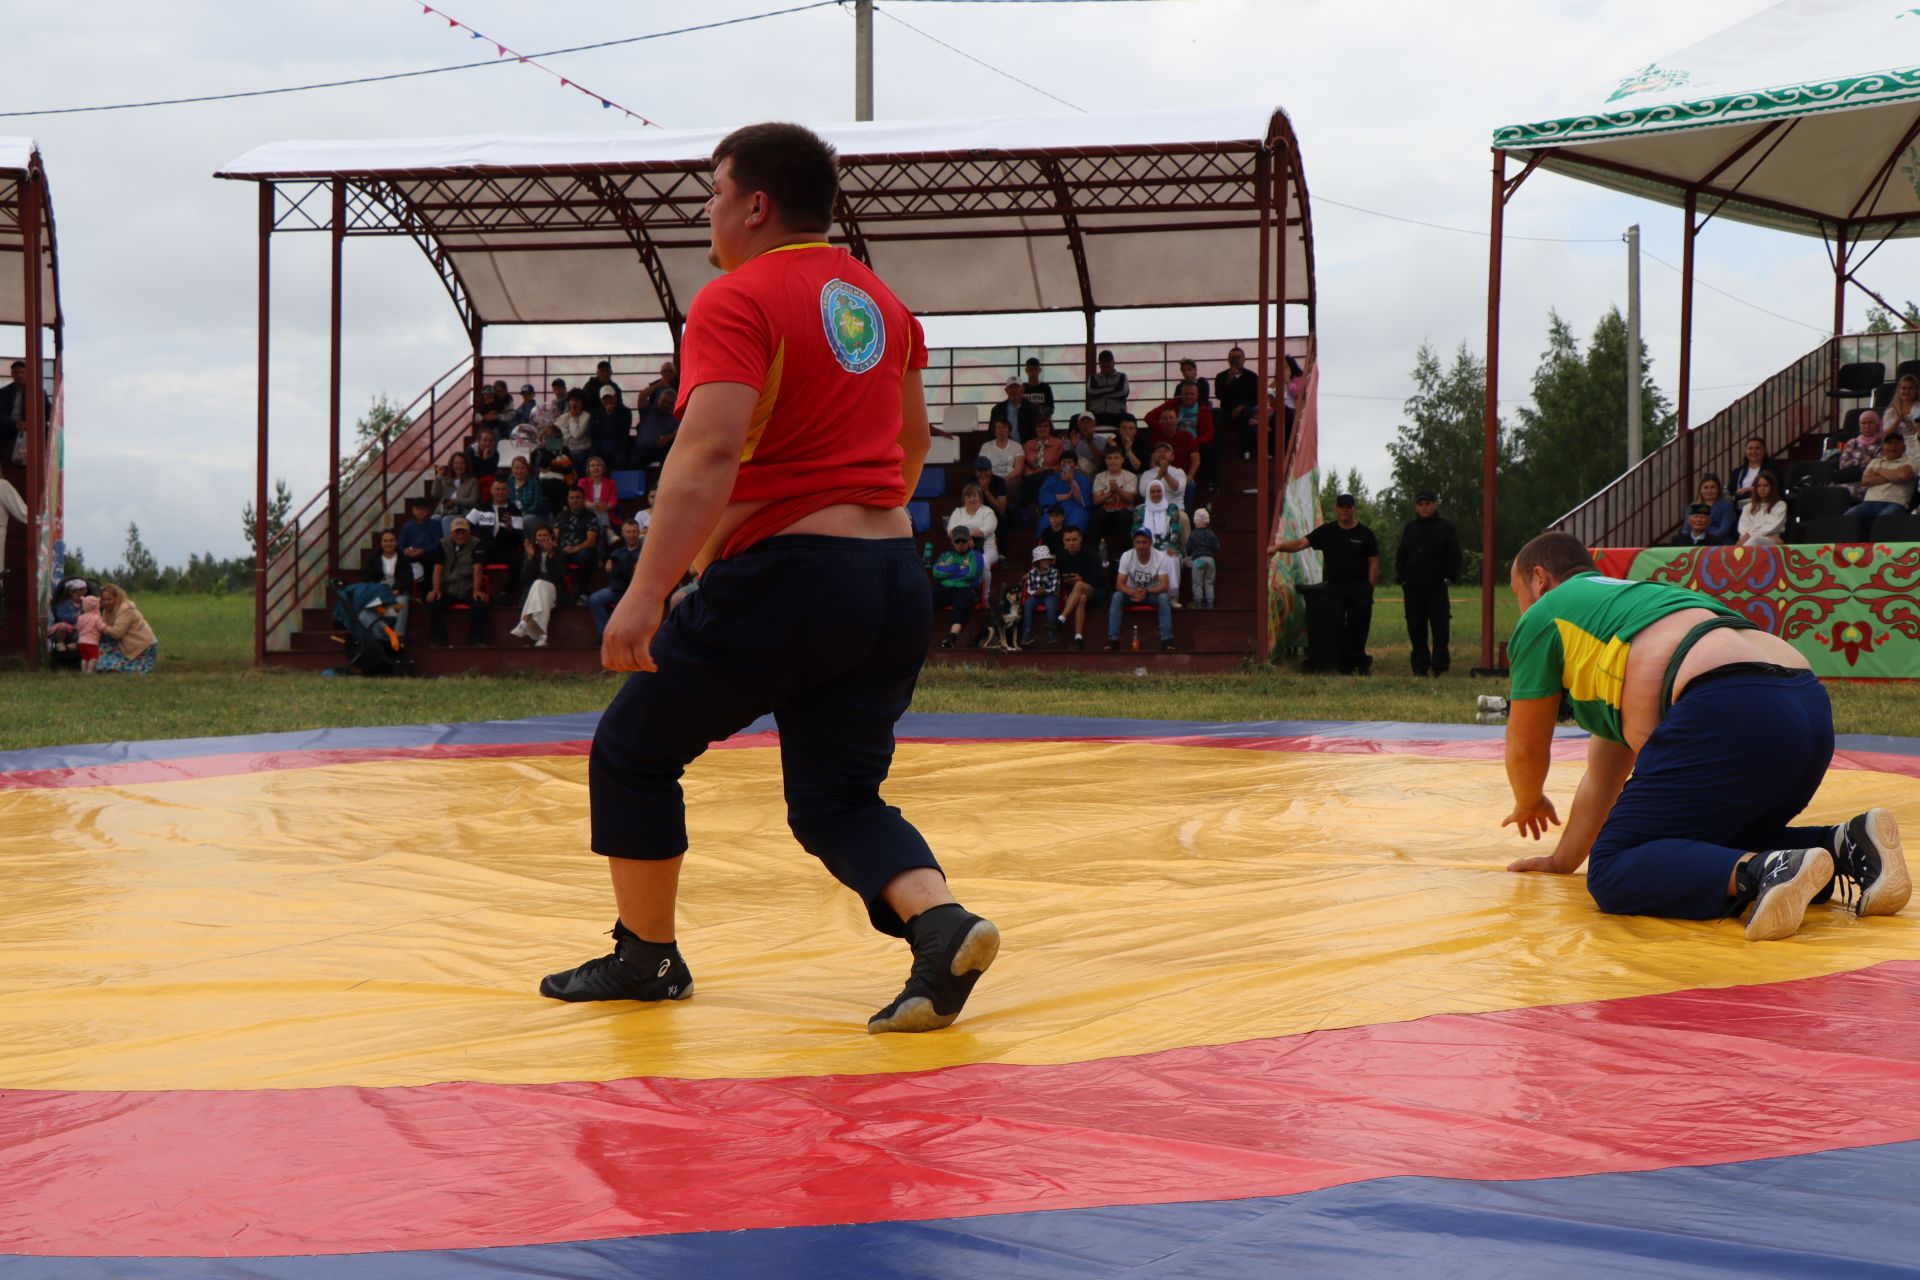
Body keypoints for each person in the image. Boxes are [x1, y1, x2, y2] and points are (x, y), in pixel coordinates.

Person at [543, 122, 998, 1035]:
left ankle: (647, 959)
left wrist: (646, 591)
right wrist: (852, 520)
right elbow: (911, 447)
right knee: (836, 797)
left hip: (793, 577)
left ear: (755, 204)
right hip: (891, 577)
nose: (706, 212)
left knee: (633, 750)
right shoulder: (882, 304)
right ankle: (940, 923)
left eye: (713, 193)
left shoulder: (736, 298)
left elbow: (708, 449)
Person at [1499, 531, 1909, 940]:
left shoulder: (1545, 614)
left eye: (1517, 595)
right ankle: (1846, 843)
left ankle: (1764, 871)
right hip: (1805, 705)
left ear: (1539, 579)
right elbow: (1604, 777)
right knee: (1702, 844)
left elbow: (1525, 747)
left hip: (1726, 701)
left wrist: (1529, 799)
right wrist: (1562, 860)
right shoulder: (1632, 611)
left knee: (1613, 868)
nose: (1521, 611)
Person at [1270, 494, 1379, 675]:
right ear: (1336, 508)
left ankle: (1360, 663)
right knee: (1336, 627)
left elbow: (1374, 561)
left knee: (1359, 626)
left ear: (1354, 509)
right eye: (1341, 506)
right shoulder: (1326, 532)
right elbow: (1300, 543)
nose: (1345, 510)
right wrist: (1277, 547)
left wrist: (1370, 587)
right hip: (1335, 588)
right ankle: (1344, 665)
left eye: (1348, 507)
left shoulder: (1365, 534)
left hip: (1359, 587)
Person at [1396, 490, 1462, 677]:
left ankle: (1440, 666)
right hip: (1413, 587)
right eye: (1421, 504)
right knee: (1416, 628)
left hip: (1437, 587)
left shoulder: (1446, 528)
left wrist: (1449, 576)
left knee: (1440, 629)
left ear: (1435, 505)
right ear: (1417, 507)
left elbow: (1455, 555)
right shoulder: (1410, 528)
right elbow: (1402, 554)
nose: (1424, 508)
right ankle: (1420, 667)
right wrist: (1402, 577)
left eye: (1427, 504)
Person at [1107, 528, 1175, 651]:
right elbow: (1119, 584)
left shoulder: (1161, 557)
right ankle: (1113, 639)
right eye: (1138, 542)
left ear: (1150, 543)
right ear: (1134, 543)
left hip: (1151, 593)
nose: (1141, 546)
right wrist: (1133, 592)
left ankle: (1167, 640)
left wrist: (1147, 591)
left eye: (1144, 542)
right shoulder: (1127, 556)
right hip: (1131, 593)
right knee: (1117, 596)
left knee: (1164, 598)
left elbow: (1164, 585)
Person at [427, 516, 490, 646]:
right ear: (451, 533)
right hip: (448, 586)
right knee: (434, 602)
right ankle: (439, 640)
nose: (460, 535)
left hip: (468, 586)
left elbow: (478, 569)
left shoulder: (477, 543)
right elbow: (438, 569)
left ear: (469, 532)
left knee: (479, 603)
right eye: (457, 532)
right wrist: (436, 590)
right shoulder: (443, 544)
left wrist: (477, 590)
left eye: (463, 532)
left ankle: (476, 639)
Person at [1845, 431, 1915, 536]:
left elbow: (1903, 476)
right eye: (1889, 443)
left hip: (1896, 503)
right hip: (1869, 503)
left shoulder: (1910, 461)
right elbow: (1866, 480)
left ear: (1904, 447)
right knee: (1847, 517)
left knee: (1882, 522)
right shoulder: (1875, 462)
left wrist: (1878, 471)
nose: (1893, 446)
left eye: (1897, 443)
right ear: (1883, 447)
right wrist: (1894, 476)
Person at [509, 526, 568, 648]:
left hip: (554, 590)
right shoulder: (533, 552)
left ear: (551, 536)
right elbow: (525, 577)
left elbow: (557, 576)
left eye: (545, 535)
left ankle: (524, 622)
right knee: (538, 586)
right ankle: (543, 636)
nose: (542, 538)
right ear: (535, 538)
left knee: (539, 583)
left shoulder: (559, 553)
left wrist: (550, 555)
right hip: (538, 592)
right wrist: (530, 558)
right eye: (539, 535)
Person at [932, 525, 986, 649]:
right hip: (947, 589)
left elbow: (970, 573)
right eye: (957, 541)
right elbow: (936, 572)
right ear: (952, 542)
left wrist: (948, 573)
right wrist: (958, 567)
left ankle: (951, 638)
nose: (960, 544)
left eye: (964, 541)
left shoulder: (976, 556)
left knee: (964, 600)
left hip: (967, 589)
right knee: (927, 596)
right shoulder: (945, 555)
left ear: (969, 541)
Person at [1054, 525, 1106, 649]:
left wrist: (1081, 579)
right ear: (1063, 541)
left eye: (1074, 539)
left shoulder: (1091, 553)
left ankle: (1061, 619)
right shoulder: (1061, 556)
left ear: (1080, 539)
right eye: (1068, 540)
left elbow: (1100, 580)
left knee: (1079, 585)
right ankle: (1078, 638)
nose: (1071, 543)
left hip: (1097, 592)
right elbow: (1053, 574)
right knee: (1081, 598)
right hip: (1075, 596)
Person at [1133, 479, 1185, 602]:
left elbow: (1175, 528)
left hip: (1167, 546)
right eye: (1152, 492)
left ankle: (1172, 598)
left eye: (1158, 491)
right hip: (1146, 546)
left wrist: (1172, 546)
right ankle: (1146, 595)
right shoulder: (1140, 510)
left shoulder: (1171, 508)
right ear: (1148, 493)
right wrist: (1145, 547)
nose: (1156, 494)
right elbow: (1136, 531)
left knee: (1171, 558)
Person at [590, 518, 644, 635]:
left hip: (635, 591)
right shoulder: (617, 553)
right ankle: (605, 635)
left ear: (639, 532)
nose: (632, 535)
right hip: (617, 588)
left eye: (634, 531)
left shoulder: (645, 552)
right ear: (623, 534)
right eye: (628, 532)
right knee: (594, 599)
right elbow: (613, 572)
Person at [95, 584, 159, 674]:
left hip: (141, 645)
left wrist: (102, 627)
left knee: (113, 664)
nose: (106, 602)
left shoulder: (126, 609)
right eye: (104, 600)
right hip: (127, 643)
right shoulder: (107, 610)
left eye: (109, 599)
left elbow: (117, 633)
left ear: (117, 598)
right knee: (100, 647)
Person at [361, 528, 413, 638]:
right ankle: (380, 636)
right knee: (364, 613)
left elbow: (407, 578)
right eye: (385, 541)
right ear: (381, 543)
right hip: (378, 595)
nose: (388, 543)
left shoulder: (404, 559)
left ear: (396, 542)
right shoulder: (372, 559)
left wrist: (396, 590)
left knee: (402, 601)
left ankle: (398, 636)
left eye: (391, 540)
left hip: (398, 594)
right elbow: (367, 578)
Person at [551, 486, 601, 599]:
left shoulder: (591, 516)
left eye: (578, 497)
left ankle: (583, 594)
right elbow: (554, 536)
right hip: (563, 550)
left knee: (585, 557)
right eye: (571, 498)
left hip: (582, 550)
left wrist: (575, 548)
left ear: (584, 499)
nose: (574, 500)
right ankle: (559, 594)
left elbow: (591, 541)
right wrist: (554, 545)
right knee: (555, 556)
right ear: (567, 499)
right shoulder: (560, 516)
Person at [1092, 446, 1139, 560]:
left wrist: (1118, 490)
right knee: (1097, 515)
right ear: (1106, 461)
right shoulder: (1100, 477)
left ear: (1122, 460)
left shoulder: (1130, 476)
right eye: (1109, 458)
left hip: (1124, 512)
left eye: (1116, 458)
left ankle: (1127, 557)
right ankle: (1093, 555)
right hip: (1106, 512)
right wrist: (1110, 493)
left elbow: (1130, 499)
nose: (1113, 461)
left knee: (1123, 516)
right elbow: (1096, 501)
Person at [1215, 346, 1259, 458]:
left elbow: (1256, 398)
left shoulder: (1252, 376)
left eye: (1238, 357)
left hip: (1245, 410)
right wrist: (1228, 380)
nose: (1235, 360)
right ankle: (1218, 451)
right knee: (1214, 414)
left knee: (1248, 413)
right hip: (1226, 410)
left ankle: (1246, 452)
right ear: (1228, 360)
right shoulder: (1221, 376)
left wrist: (1242, 407)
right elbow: (1219, 395)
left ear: (1244, 359)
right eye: (1233, 357)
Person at [1836, 409, 1890, 501]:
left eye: (1871, 422)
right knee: (1833, 491)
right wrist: (1864, 462)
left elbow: (1880, 465)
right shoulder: (1852, 443)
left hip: (1871, 483)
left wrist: (1856, 462)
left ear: (1878, 425)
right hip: (1850, 479)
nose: (1867, 426)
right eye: (1863, 423)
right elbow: (1843, 465)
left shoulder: (1884, 443)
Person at [946, 482, 1000, 567]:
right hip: (961, 548)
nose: (972, 499)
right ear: (964, 499)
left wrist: (966, 535)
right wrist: (967, 538)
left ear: (980, 498)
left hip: (987, 547)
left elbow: (988, 529)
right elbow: (951, 531)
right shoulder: (958, 511)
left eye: (974, 496)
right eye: (968, 497)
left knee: (983, 561)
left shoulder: (987, 511)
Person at [1035, 453, 1091, 534]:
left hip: (1076, 507)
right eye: (1064, 462)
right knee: (1046, 523)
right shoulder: (1052, 478)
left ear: (1075, 465)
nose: (1066, 465)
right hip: (1055, 506)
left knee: (1075, 524)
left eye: (1069, 462)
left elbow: (1085, 501)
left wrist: (1071, 481)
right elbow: (1043, 497)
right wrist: (1065, 496)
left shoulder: (1082, 479)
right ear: (1060, 465)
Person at [431, 452, 479, 537]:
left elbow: (473, 500)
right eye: (456, 463)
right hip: (444, 512)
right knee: (433, 520)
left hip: (462, 513)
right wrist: (439, 478)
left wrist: (455, 502)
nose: (459, 466)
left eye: (462, 463)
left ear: (466, 465)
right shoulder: (446, 479)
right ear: (452, 465)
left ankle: (449, 548)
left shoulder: (472, 481)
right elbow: (436, 494)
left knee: (447, 520)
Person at [1737, 472, 1789, 547]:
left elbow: (1771, 526)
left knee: (1755, 540)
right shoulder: (1748, 507)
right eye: (1759, 486)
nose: (1762, 489)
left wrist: (1749, 535)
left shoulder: (1780, 505)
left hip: (1769, 539)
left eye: (1766, 485)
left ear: (1772, 487)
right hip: (1747, 539)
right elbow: (1742, 527)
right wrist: (1747, 536)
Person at [397, 495, 440, 588]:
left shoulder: (435, 525)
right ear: (413, 510)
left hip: (428, 556)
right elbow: (400, 545)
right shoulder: (407, 526)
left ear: (428, 510)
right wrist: (405, 550)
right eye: (417, 508)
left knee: (433, 558)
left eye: (423, 509)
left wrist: (423, 550)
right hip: (411, 556)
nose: (420, 512)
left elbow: (438, 544)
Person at [1022, 544, 1060, 646]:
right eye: (1043, 560)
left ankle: (1052, 635)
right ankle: (1026, 634)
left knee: (1050, 605)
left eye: (1048, 559)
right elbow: (1029, 588)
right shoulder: (1031, 573)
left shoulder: (1054, 572)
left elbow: (1055, 588)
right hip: (1036, 596)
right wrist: (1035, 593)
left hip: (1050, 595)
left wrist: (1045, 591)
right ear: (1037, 562)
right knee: (1027, 604)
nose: (1047, 561)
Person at [1184, 506, 1221, 609]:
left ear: (1195, 521)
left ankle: (1198, 603)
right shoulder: (1211, 533)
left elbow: (1188, 548)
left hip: (1198, 560)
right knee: (1209, 582)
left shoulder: (1193, 534)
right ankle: (1210, 604)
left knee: (1197, 583)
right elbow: (1217, 546)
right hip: (1211, 560)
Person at [1085, 349, 1130, 427]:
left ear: (1113, 362)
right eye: (1103, 362)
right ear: (1099, 363)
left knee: (1131, 419)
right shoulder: (1093, 377)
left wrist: (1100, 393)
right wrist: (1114, 388)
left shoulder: (1122, 376)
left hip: (1118, 414)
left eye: (1108, 361)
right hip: (1096, 415)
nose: (1106, 364)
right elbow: (1091, 392)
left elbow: (1123, 393)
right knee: (1075, 419)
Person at [555, 389, 594, 476]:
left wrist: (573, 418)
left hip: (582, 450)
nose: (574, 403)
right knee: (547, 454)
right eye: (572, 400)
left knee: (575, 457)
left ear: (582, 403)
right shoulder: (564, 416)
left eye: (577, 400)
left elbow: (576, 435)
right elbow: (557, 434)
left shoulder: (586, 416)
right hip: (566, 449)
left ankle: (575, 483)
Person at [592, 386, 632, 470]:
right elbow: (592, 433)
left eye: (610, 398)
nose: (608, 401)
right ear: (601, 400)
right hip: (600, 449)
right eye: (605, 399)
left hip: (619, 448)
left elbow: (623, 431)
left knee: (620, 461)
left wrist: (611, 415)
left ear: (615, 398)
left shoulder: (625, 412)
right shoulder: (596, 414)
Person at [579, 455, 621, 534]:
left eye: (598, 465)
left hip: (605, 510)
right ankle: (608, 531)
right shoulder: (583, 482)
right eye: (592, 466)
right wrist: (593, 506)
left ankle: (602, 534)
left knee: (601, 511)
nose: (595, 468)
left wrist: (606, 506)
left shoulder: (610, 483)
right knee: (599, 511)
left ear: (603, 468)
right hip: (587, 510)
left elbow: (613, 500)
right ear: (588, 469)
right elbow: (582, 499)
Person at [506, 455, 548, 530]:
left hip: (529, 515)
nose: (519, 471)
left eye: (522, 468)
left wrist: (522, 514)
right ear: (512, 469)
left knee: (526, 520)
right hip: (512, 515)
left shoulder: (534, 483)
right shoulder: (507, 483)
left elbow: (537, 505)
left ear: (527, 469)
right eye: (516, 468)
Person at [1728, 435, 1774, 503]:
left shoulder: (1772, 469)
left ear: (1764, 451)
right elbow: (1730, 491)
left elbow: (1775, 488)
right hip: (1740, 508)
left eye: (1757, 448)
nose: (1753, 451)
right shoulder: (1737, 471)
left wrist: (1748, 489)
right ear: (1746, 452)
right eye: (1750, 449)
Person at [976, 417, 1022, 484]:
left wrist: (1005, 479)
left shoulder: (1017, 446)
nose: (1001, 430)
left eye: (1004, 427)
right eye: (999, 427)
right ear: (994, 431)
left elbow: (1018, 469)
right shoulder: (986, 446)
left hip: (1010, 478)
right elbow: (981, 466)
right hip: (991, 478)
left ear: (1009, 430)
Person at [0, 360, 29, 465]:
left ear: (27, 373)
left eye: (22, 372)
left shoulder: (37, 391)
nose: (19, 375)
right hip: (9, 426)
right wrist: (14, 423)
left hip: (29, 428)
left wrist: (28, 424)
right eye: (16, 373)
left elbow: (47, 413)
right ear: (12, 374)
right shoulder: (3, 392)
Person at [1697, 477, 1737, 544]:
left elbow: (1724, 530)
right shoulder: (1693, 506)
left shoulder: (1727, 504)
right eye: (1706, 488)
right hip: (1696, 542)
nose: (1709, 491)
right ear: (1700, 490)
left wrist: (1703, 539)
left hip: (1719, 542)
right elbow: (1686, 530)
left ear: (1718, 489)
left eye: (1713, 487)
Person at [75, 595, 103, 674]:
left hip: (81, 642)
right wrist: (105, 626)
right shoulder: (97, 617)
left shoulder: (81, 617)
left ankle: (83, 671)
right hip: (92, 642)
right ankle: (90, 671)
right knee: (93, 657)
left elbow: (78, 628)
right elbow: (100, 628)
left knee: (84, 658)